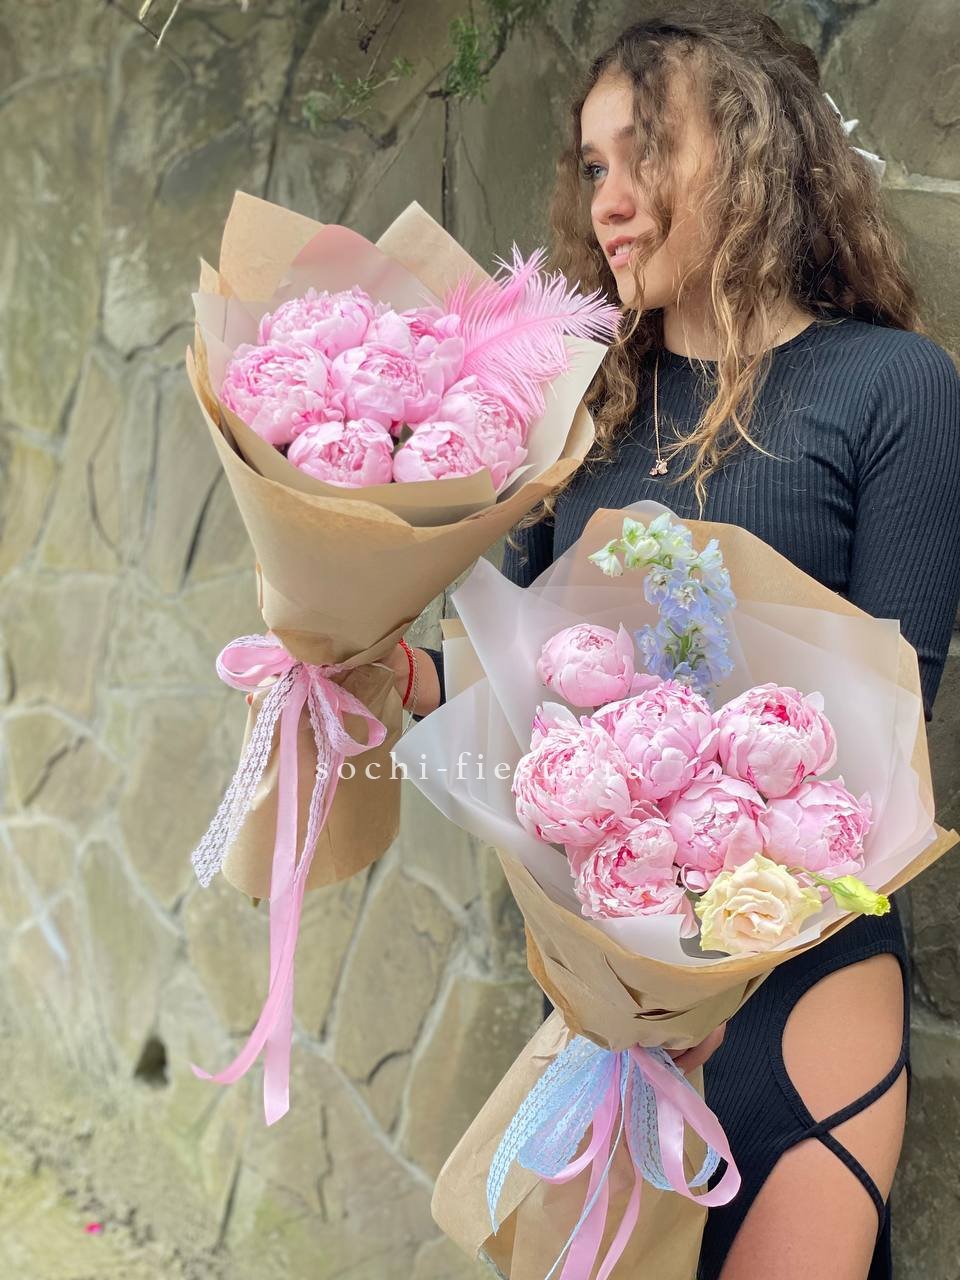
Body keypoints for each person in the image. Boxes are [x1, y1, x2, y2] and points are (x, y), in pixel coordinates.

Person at [386, 5, 960, 1277]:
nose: (609, 197)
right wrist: (384, 663)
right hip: (617, 1004)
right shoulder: (581, 408)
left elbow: (888, 740)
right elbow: (515, 693)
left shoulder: (897, 388)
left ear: (759, 152)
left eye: (645, 151)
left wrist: (710, 976)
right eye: (594, 164)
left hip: (805, 997)